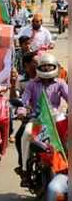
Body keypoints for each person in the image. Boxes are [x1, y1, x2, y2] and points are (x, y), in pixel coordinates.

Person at [16, 53, 68, 187]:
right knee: (26, 135)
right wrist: (21, 110)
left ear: (55, 67)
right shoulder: (32, 84)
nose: (46, 70)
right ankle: (25, 170)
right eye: (43, 67)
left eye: (49, 67)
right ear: (38, 68)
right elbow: (24, 100)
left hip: (57, 119)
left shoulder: (60, 83)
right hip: (37, 119)